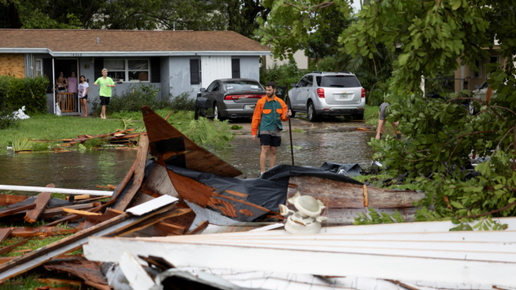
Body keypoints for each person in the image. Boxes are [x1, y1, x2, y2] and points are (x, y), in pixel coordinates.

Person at [251, 81, 292, 176]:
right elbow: (256, 118)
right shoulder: (261, 102)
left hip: (276, 129)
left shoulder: (281, 103)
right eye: (266, 90)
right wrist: (254, 132)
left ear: (274, 90)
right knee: (265, 149)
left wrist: (287, 115)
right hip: (264, 128)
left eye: (269, 90)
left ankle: (271, 172)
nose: (267, 92)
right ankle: (262, 173)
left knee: (273, 151)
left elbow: (284, 118)